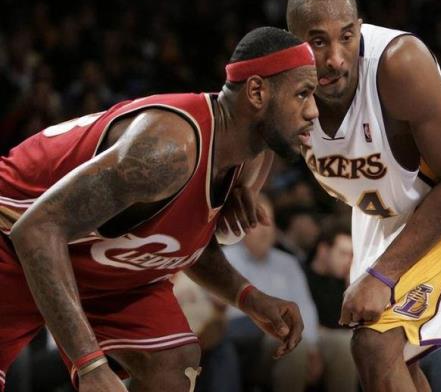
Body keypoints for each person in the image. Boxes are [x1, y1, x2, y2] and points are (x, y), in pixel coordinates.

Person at [0, 26, 319, 392]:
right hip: (15, 239)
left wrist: (249, 297)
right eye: (303, 93)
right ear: (257, 92)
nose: (313, 111)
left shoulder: (248, 155)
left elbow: (178, 242)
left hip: (87, 257)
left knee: (173, 364)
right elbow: (38, 231)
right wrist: (90, 365)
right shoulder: (168, 151)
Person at [283, 0, 441, 392]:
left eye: (346, 37)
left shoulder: (400, 65)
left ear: (360, 28)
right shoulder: (282, 82)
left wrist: (383, 275)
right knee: (389, 353)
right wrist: (244, 187)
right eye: (318, 42)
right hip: (382, 204)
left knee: (375, 345)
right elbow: (252, 129)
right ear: (293, 45)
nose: (335, 58)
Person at [224, 194, 322, 392]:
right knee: (293, 347)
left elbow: (305, 306)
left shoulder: (288, 262)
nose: (265, 230)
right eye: (259, 222)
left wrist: (312, 345)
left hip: (292, 334)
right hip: (247, 344)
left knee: (341, 345)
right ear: (241, 227)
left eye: (270, 222)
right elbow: (227, 315)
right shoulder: (225, 259)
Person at [305, 221, 358, 392]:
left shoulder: (344, 283)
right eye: (343, 253)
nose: (348, 261)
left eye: (351, 255)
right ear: (323, 250)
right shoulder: (302, 276)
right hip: (310, 341)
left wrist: (352, 286)